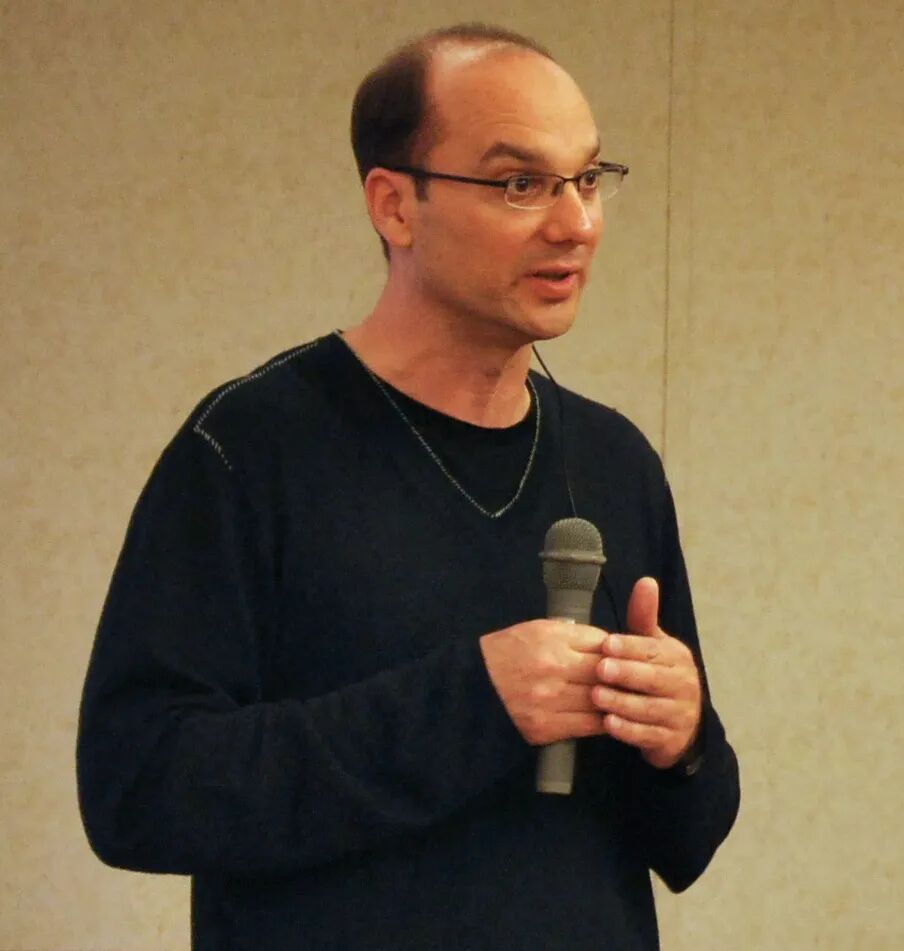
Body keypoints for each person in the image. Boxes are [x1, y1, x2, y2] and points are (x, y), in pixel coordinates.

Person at [77, 23, 739, 950]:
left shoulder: (615, 461)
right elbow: (139, 787)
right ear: (395, 206)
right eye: (520, 184)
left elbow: (688, 839)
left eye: (587, 179)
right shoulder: (248, 449)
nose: (576, 224)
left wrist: (684, 742)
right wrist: (473, 703)